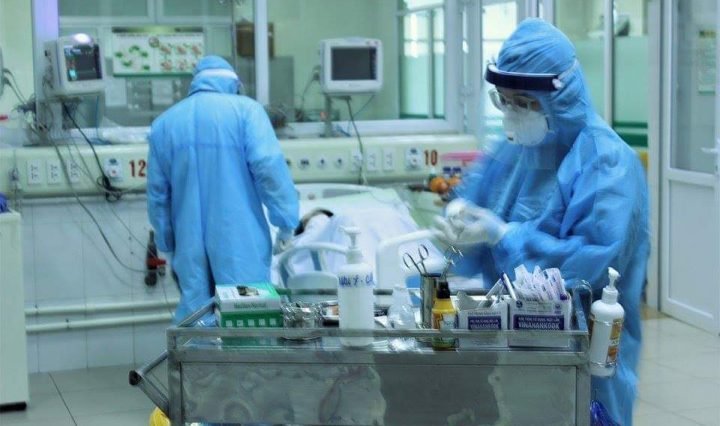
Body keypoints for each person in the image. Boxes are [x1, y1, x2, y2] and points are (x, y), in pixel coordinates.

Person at [434, 19, 649, 425]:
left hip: (580, 346)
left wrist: (505, 235)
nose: (511, 112)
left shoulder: (605, 161)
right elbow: (477, 201)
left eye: (523, 101)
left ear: (560, 95)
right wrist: (458, 221)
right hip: (511, 338)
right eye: (503, 100)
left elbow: (592, 262)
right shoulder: (516, 146)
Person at [147, 55, 299, 323]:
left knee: (197, 316)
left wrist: (166, 242)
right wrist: (286, 223)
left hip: (189, 244)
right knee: (248, 315)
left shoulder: (164, 125)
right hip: (239, 240)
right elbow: (269, 170)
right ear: (234, 84)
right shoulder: (247, 112)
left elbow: (158, 196)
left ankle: (199, 351)